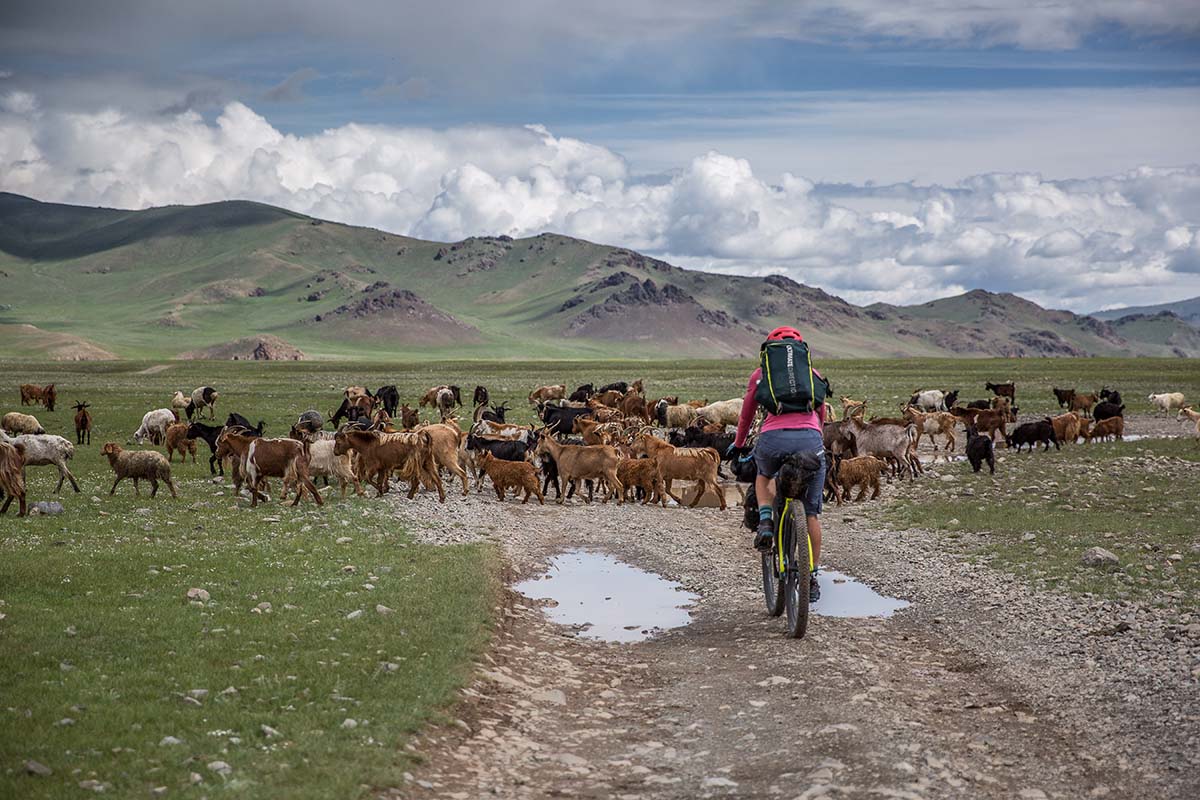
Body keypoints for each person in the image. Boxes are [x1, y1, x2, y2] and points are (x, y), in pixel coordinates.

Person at [731, 325, 827, 601]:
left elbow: (746, 415)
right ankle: (812, 576)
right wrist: (812, 439)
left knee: (763, 474)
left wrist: (738, 445)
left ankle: (764, 523)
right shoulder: (812, 374)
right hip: (810, 440)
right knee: (810, 514)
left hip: (773, 439)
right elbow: (821, 415)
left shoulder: (761, 375)